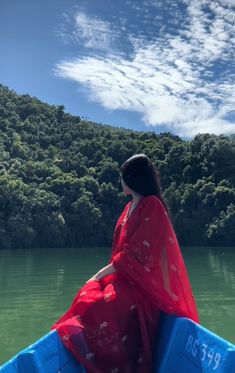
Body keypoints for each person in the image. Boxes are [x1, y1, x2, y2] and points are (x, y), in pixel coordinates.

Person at [51, 154, 199, 373]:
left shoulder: (152, 206)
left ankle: (111, 364)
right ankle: (101, 358)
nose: (120, 181)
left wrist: (100, 274)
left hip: (140, 286)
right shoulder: (127, 208)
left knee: (96, 306)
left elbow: (137, 255)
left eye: (122, 177)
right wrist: (101, 277)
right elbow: (118, 255)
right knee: (87, 294)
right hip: (122, 278)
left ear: (132, 178)